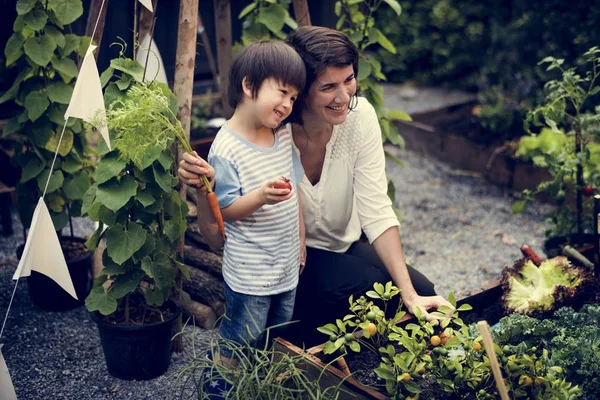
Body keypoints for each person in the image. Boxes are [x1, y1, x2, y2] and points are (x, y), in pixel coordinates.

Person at [180, 27, 451, 348]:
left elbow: (377, 208)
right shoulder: (270, 135)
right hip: (286, 260)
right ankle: (287, 348)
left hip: (341, 245)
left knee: (423, 292)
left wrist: (410, 294)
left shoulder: (359, 117)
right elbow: (220, 230)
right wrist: (203, 187)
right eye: (328, 87)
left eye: (349, 80)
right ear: (302, 89)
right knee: (365, 287)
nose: (344, 96)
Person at [185, 39, 307, 396]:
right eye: (282, 92)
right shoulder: (227, 146)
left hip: (285, 265)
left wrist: (300, 241)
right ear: (249, 85)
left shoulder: (281, 135)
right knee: (240, 338)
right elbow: (225, 211)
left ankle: (254, 388)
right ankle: (216, 389)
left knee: (273, 336)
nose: (287, 105)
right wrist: (261, 197)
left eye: (293, 98)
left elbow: (295, 193)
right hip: (251, 271)